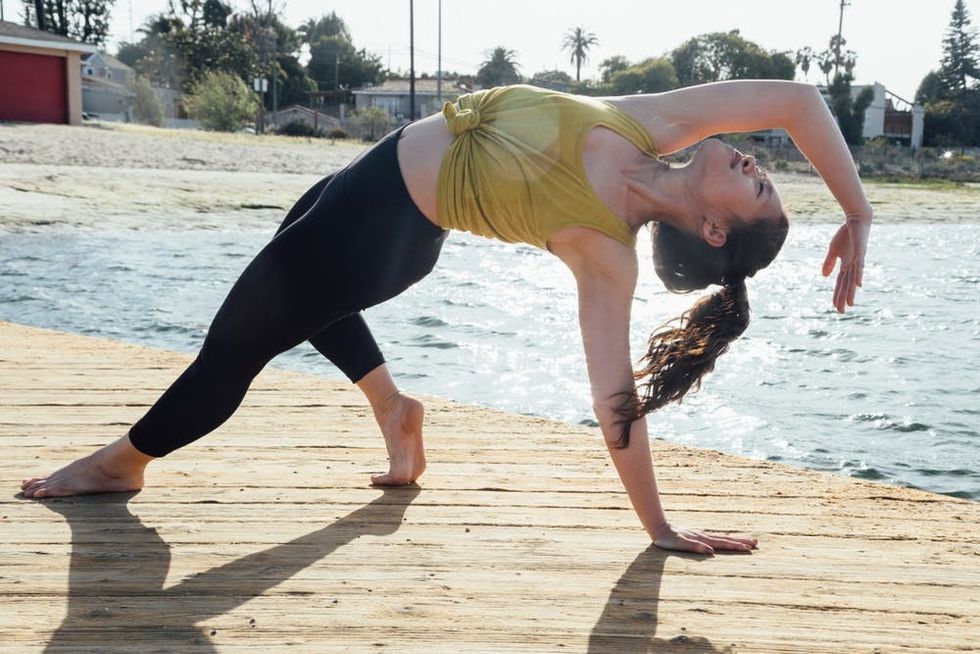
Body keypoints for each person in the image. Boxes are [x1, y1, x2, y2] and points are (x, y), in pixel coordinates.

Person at [21, 81, 871, 555]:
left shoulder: (605, 250)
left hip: (381, 230)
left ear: (714, 228)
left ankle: (122, 463)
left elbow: (615, 401)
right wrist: (858, 214)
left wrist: (659, 528)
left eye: (758, 186)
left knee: (229, 353)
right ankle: (395, 411)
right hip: (371, 179)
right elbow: (797, 101)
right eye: (766, 172)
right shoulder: (649, 124)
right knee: (296, 291)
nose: (761, 163)